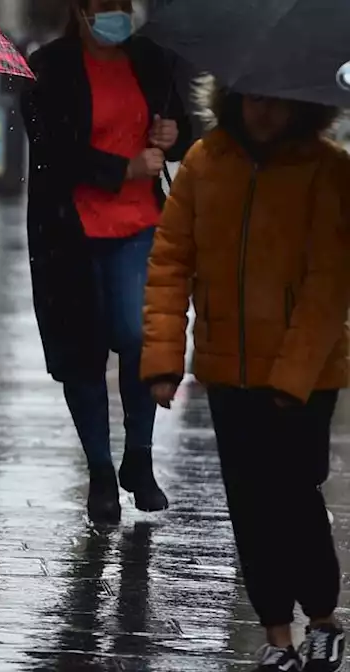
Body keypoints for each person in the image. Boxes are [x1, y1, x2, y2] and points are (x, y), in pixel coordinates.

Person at [142, 86, 350, 672]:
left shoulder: (327, 169)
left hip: (304, 377)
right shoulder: (206, 163)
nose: (264, 110)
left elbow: (328, 282)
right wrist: (163, 359)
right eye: (253, 97)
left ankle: (324, 616)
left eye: (277, 99)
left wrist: (290, 379)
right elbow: (170, 263)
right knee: (250, 504)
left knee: (295, 494)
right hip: (226, 369)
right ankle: (277, 633)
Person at [20, 0, 191, 525]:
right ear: (80, 10)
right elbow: (51, 151)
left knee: (137, 333)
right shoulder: (46, 68)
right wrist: (122, 166)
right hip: (68, 231)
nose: (115, 14)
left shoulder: (152, 59)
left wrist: (172, 137)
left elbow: (183, 125)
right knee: (82, 352)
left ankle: (137, 456)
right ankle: (99, 471)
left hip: (138, 225)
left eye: (123, 4)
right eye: (103, 5)